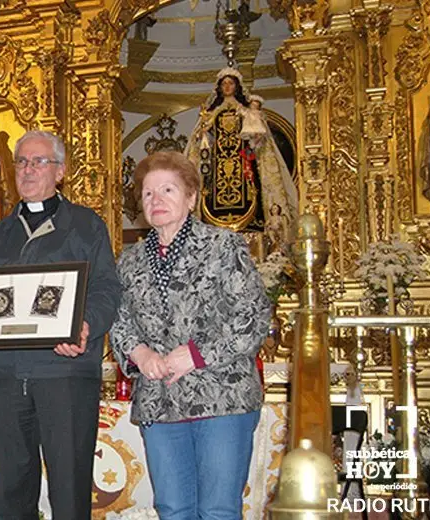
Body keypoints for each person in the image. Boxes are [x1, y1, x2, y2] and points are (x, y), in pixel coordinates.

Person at [0, 130, 121, 519]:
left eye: (39, 162)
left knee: (69, 489)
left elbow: (107, 290)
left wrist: (84, 326)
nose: (28, 170)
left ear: (61, 172)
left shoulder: (86, 226)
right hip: (5, 377)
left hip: (64, 375)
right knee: (12, 492)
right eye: (21, 162)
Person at [110, 151, 271, 520]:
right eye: (148, 193)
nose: (156, 200)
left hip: (221, 398)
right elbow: (118, 320)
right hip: (160, 399)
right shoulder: (129, 260)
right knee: (173, 509)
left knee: (217, 510)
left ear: (191, 197)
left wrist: (195, 355)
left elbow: (253, 316)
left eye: (168, 189)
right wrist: (140, 354)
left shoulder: (223, 246)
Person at [185, 68, 297, 237]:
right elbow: (202, 139)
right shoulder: (212, 113)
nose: (227, 87)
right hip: (219, 163)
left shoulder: (245, 112)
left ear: (236, 87)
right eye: (224, 84)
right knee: (211, 191)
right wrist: (203, 134)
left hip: (242, 161)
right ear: (219, 88)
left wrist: (254, 135)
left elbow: (257, 135)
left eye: (230, 83)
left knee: (249, 189)